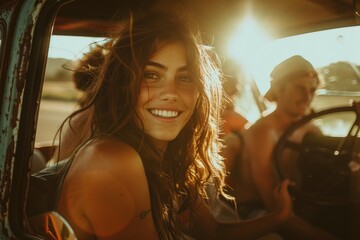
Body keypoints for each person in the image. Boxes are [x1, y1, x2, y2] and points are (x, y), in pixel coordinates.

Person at [53, 11, 294, 240]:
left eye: (185, 77)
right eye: (151, 75)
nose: (171, 93)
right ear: (122, 85)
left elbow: (213, 234)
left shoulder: (167, 157)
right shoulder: (114, 158)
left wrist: (281, 216)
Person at [222, 55, 336, 239]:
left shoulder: (309, 127)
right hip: (255, 211)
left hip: (297, 203)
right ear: (279, 88)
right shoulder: (263, 131)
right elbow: (273, 206)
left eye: (312, 90)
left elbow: (338, 158)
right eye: (299, 88)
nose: (307, 97)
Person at [221, 71, 248, 136]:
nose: (237, 89)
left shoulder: (235, 118)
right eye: (232, 82)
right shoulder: (231, 117)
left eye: (236, 84)